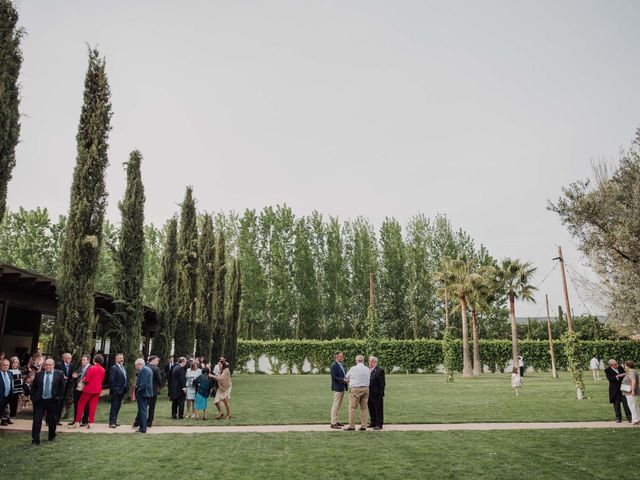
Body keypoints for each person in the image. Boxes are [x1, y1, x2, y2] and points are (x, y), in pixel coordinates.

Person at [30, 358, 65, 445]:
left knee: (52, 420)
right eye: (46, 365)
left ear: (53, 365)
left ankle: (51, 436)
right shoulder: (38, 375)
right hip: (39, 400)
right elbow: (33, 387)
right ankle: (35, 439)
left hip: (52, 400)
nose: (48, 366)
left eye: (50, 365)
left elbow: (62, 387)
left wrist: (59, 397)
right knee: (37, 420)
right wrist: (33, 398)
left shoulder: (59, 374)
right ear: (44, 366)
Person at [69, 354, 105, 429]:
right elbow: (101, 380)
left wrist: (83, 380)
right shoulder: (103, 369)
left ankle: (77, 422)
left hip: (88, 389)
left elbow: (86, 379)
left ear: (94, 360)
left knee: (80, 404)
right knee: (93, 406)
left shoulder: (91, 368)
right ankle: (90, 423)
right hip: (97, 390)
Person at [343, 355, 369, 431]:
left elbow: (346, 378)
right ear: (363, 360)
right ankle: (363, 426)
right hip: (366, 389)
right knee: (364, 408)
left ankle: (352, 426)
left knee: (352, 408)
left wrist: (349, 381)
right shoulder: (367, 369)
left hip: (355, 389)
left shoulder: (353, 368)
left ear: (356, 360)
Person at [604, 359, 632, 423]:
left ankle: (629, 417)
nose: (617, 365)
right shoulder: (607, 370)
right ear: (611, 365)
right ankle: (618, 418)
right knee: (616, 404)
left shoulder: (620, 367)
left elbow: (625, 374)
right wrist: (618, 376)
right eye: (615, 364)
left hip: (622, 388)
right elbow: (610, 379)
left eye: (617, 364)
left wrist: (624, 374)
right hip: (614, 389)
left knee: (626, 403)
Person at [133, 358, 154, 433]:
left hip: (143, 394)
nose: (136, 368)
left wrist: (138, 391)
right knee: (143, 410)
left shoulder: (144, 370)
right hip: (147, 393)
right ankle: (142, 427)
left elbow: (143, 384)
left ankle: (142, 428)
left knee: (142, 411)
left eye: (136, 366)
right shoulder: (148, 369)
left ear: (139, 364)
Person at [69, 355, 90, 426]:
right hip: (78, 389)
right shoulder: (81, 367)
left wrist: (78, 375)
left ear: (88, 360)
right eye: (82, 360)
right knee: (76, 404)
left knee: (86, 405)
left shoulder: (91, 368)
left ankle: (85, 421)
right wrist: (74, 376)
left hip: (86, 389)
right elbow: (76, 375)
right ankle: (76, 420)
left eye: (84, 360)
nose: (82, 361)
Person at [54, 352, 74, 424]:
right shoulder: (58, 365)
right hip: (58, 388)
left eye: (71, 358)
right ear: (64, 358)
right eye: (69, 358)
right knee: (55, 404)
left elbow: (70, 376)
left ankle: (57, 420)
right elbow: (55, 375)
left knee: (61, 404)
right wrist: (61, 377)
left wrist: (73, 376)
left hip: (65, 388)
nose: (70, 359)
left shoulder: (71, 365)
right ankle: (49, 420)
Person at [329, 351, 348, 429]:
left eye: (342, 356)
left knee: (339, 405)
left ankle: (336, 421)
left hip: (342, 387)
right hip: (337, 388)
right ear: (336, 357)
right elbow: (334, 377)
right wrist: (343, 380)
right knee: (335, 405)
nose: (342, 357)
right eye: (340, 356)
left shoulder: (341, 365)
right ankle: (333, 423)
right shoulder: (334, 365)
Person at [108, 353, 127, 428]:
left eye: (122, 358)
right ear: (116, 359)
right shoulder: (114, 368)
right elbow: (111, 380)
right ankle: (111, 422)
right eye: (120, 358)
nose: (122, 359)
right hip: (116, 391)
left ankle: (114, 421)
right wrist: (115, 390)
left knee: (118, 406)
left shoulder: (123, 367)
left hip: (122, 390)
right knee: (114, 406)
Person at [367, 356, 385, 430]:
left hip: (377, 393)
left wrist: (380, 393)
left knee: (378, 409)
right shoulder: (368, 370)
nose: (370, 363)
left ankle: (379, 424)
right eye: (370, 361)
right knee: (371, 408)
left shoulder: (379, 370)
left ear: (375, 362)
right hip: (369, 393)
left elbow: (382, 383)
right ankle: (373, 422)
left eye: (372, 361)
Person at [621, 360, 639, 425]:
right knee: (635, 405)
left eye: (625, 365)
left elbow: (633, 381)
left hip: (630, 392)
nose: (624, 366)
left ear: (628, 366)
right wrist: (624, 374)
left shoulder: (631, 371)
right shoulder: (631, 371)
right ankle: (638, 418)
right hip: (629, 392)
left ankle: (635, 420)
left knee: (632, 406)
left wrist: (633, 391)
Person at [8, 356, 23, 421]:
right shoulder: (9, 371)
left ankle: (13, 415)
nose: (15, 364)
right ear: (11, 363)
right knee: (10, 403)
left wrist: (21, 390)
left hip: (18, 390)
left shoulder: (19, 371)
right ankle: (7, 415)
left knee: (15, 403)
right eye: (14, 362)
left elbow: (20, 380)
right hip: (11, 390)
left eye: (16, 363)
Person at [0, 359, 12, 426]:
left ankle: (4, 420)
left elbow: (11, 384)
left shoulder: (10, 373)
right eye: (4, 365)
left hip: (7, 396)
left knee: (4, 411)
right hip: (0, 396)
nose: (6, 366)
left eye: (7, 365)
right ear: (0, 365)